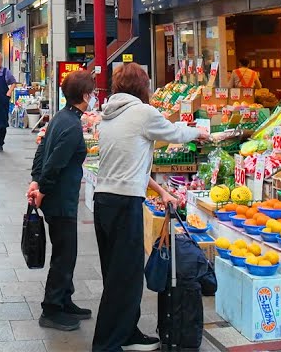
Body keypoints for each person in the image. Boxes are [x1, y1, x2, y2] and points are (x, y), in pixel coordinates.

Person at [92, 63, 210, 352]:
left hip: (104, 201)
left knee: (117, 273)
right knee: (126, 276)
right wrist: (199, 132)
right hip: (123, 203)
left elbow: (133, 167)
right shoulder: (143, 113)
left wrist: (161, 190)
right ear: (141, 86)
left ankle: (128, 333)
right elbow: (175, 134)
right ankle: (106, 344)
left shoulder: (109, 114)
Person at [27, 70, 95, 332]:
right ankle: (52, 308)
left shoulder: (61, 118)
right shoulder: (72, 126)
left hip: (55, 196)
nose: (94, 98)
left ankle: (65, 300)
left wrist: (36, 180)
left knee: (66, 251)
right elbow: (55, 161)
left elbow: (42, 149)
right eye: (92, 93)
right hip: (60, 199)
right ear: (85, 96)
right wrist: (42, 187)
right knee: (65, 254)